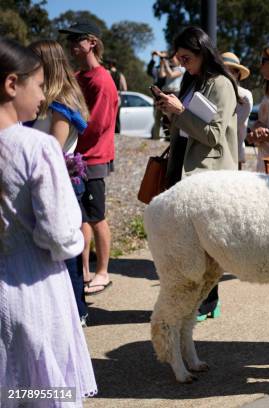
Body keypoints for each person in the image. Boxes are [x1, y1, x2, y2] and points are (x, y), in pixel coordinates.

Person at [0, 36, 97, 405]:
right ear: (12, 84)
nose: (43, 96)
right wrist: (74, 241)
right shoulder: (35, 147)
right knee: (42, 390)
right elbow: (60, 235)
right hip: (35, 290)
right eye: (39, 85)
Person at [156, 26, 239, 321]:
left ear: (203, 51)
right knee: (192, 245)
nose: (182, 63)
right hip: (185, 168)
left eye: (186, 57)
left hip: (210, 175)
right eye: (178, 58)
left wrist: (180, 112)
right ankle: (200, 299)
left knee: (209, 246)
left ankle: (207, 301)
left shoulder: (222, 85)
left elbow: (213, 135)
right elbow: (187, 127)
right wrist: (169, 110)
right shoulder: (192, 81)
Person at [28, 39, 91, 326]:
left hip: (60, 184)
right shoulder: (48, 100)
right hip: (50, 183)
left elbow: (54, 147)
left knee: (66, 256)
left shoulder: (61, 104)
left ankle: (76, 313)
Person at [59, 20, 119, 294]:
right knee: (80, 217)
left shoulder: (102, 80)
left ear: (91, 42)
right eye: (68, 40)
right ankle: (82, 271)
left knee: (96, 217)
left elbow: (98, 125)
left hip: (93, 159)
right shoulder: (78, 77)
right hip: (76, 158)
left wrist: (65, 133)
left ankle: (103, 271)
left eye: (76, 39)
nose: (71, 45)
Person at [221, 51, 252, 170]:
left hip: (232, 153)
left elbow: (229, 127)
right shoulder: (214, 92)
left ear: (237, 74)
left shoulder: (244, 96)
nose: (226, 74)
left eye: (231, 70)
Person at [107, 60, 126, 134]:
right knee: (117, 115)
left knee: (108, 115)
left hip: (109, 97)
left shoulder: (107, 72)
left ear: (111, 64)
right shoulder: (120, 75)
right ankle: (117, 132)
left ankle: (109, 132)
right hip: (117, 96)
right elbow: (124, 88)